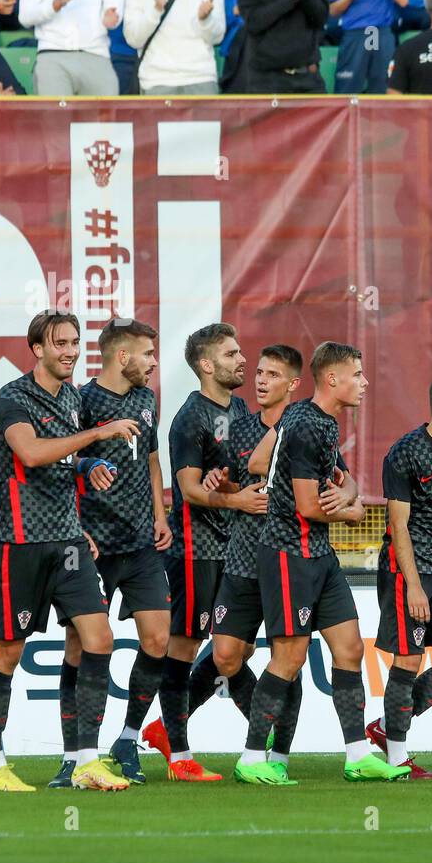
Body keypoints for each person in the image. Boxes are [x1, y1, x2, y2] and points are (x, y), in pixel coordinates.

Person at [235, 342, 410, 784]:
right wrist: (351, 510)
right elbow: (309, 506)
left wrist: (348, 492)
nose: (365, 383)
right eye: (358, 374)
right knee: (289, 657)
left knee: (350, 648)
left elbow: (281, 467)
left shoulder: (316, 420)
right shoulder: (307, 426)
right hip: (289, 553)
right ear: (332, 379)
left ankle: (356, 756)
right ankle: (253, 758)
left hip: (320, 555)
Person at [0, 310, 138, 792]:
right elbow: (29, 454)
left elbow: (62, 455)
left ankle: (87, 760)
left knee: (99, 638)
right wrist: (97, 435)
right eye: (60, 344)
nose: (71, 351)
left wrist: (86, 464)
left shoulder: (71, 396)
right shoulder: (13, 396)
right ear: (38, 349)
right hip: (22, 542)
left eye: (75, 342)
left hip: (69, 541)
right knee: (9, 651)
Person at [49, 320, 172, 789]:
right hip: (92, 545)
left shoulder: (146, 400)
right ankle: (74, 756)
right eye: (147, 354)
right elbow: (62, 464)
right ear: (123, 357)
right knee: (79, 646)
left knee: (157, 639)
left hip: (142, 542)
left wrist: (161, 514)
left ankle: (127, 737)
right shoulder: (82, 400)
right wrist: (77, 528)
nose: (153, 362)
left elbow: (152, 457)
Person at [141, 324, 261, 782]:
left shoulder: (244, 409)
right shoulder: (190, 418)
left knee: (238, 647)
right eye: (232, 353)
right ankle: (180, 756)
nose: (242, 359)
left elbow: (239, 470)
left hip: (237, 549)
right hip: (197, 550)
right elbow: (188, 491)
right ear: (207, 365)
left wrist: (232, 485)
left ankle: (167, 729)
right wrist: (235, 498)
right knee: (186, 646)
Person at [363, 373, 432, 780]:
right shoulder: (405, 454)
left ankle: (384, 725)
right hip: (403, 570)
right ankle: (397, 756)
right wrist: (413, 585)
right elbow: (398, 524)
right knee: (408, 660)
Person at [202, 345, 308, 783]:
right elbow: (221, 488)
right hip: (243, 560)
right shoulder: (239, 428)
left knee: (289, 657)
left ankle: (276, 753)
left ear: (293, 384)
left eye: (272, 374)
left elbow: (341, 478)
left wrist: (349, 493)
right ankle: (262, 732)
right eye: (259, 372)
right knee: (226, 656)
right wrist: (224, 488)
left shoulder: (307, 427)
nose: (260, 380)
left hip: (289, 560)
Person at [19, 0, 123, 95]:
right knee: (56, 113)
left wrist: (112, 17)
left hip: (96, 53)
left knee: (106, 112)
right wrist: (56, 4)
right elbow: (25, 17)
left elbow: (114, 10)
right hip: (52, 54)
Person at [124, 0, 226, 95]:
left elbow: (218, 37)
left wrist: (205, 20)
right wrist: (156, 10)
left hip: (201, 77)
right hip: (156, 80)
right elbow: (133, 38)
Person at [239, 0, 330, 92]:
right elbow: (253, 22)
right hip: (267, 78)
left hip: (308, 75)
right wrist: (290, 1)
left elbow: (321, 18)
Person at [330, 0, 405, 93]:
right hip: (355, 33)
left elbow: (403, 2)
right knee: (347, 86)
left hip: (382, 32)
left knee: (383, 85)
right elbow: (332, 11)